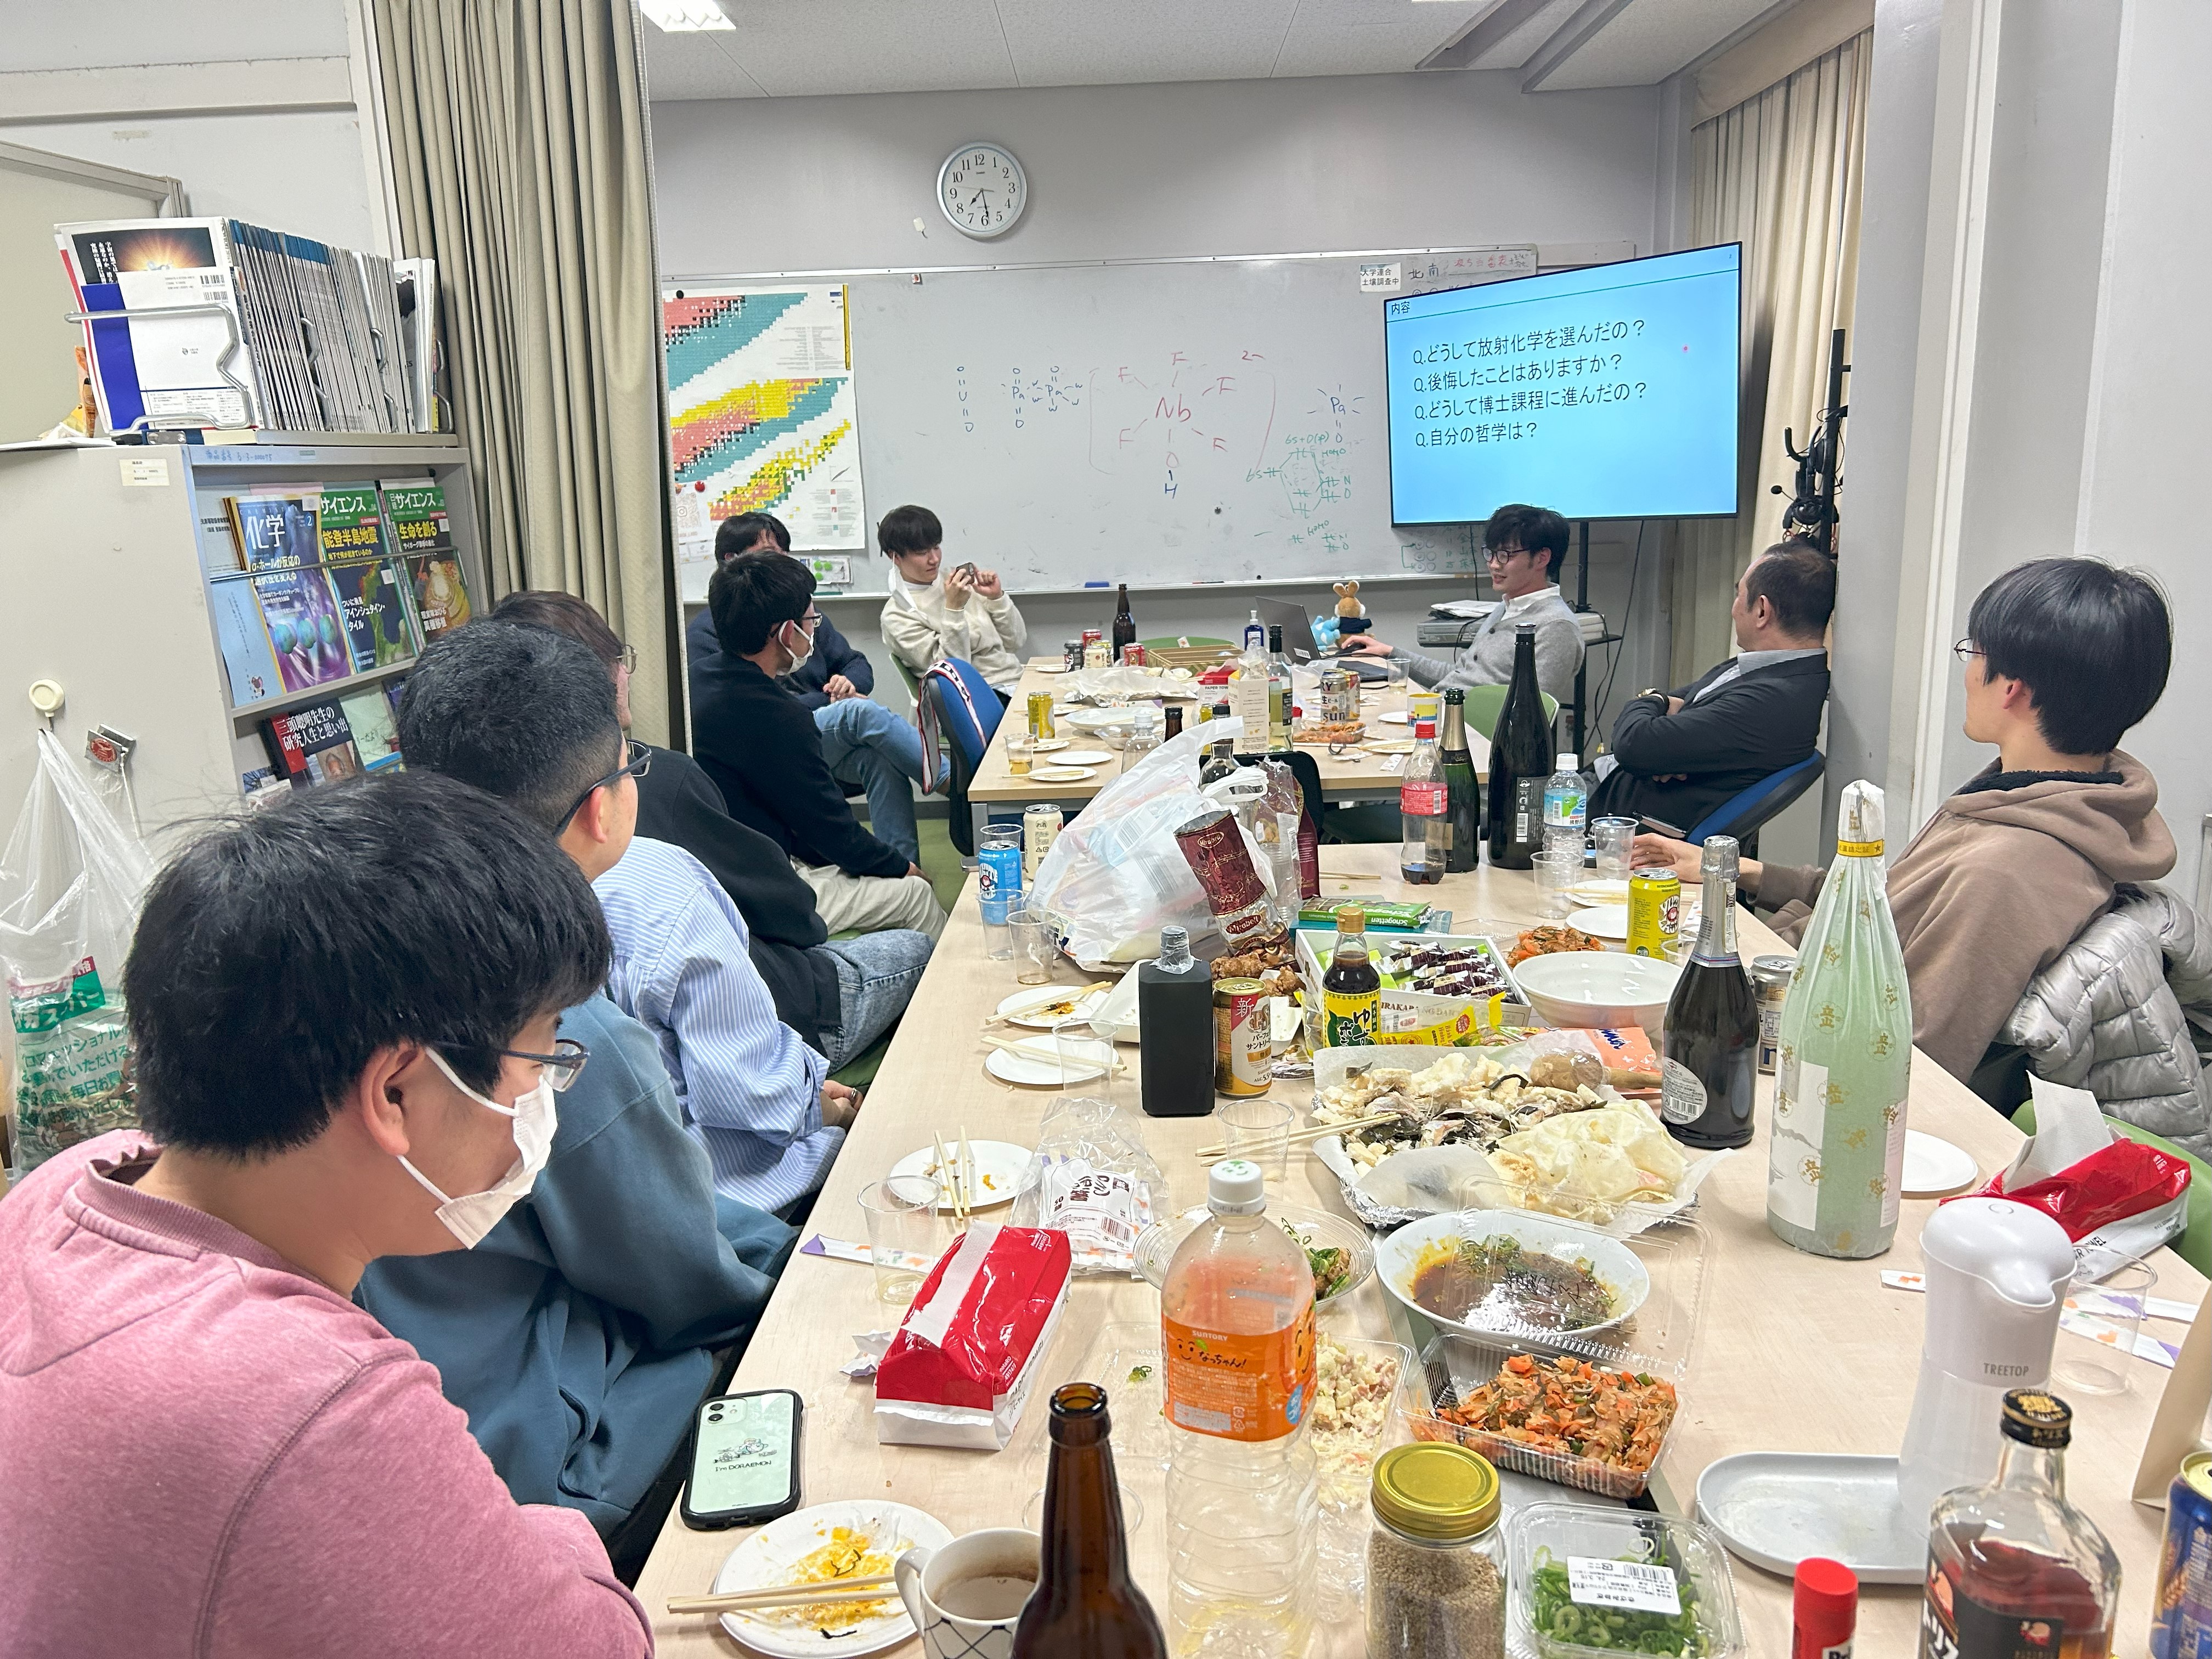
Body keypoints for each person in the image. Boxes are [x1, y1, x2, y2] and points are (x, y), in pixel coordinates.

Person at [0, 774, 652, 1656]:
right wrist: (544, 1538)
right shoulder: (309, 1405)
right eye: (541, 1061)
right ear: (395, 1092)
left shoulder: (67, 1189)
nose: (542, 1099)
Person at [1635, 556, 2176, 1086]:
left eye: (1974, 652)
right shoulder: (2047, 803)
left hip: (1793, 1042)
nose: (1968, 673)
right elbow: (1880, 905)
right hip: (1797, 983)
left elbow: (1908, 1067)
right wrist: (1735, 870)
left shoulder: (2006, 871)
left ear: (2012, 687)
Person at [396, 620, 862, 1223]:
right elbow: (752, 1100)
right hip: (729, 1220)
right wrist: (818, 1104)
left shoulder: (401, 925)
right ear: (600, 808)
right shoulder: (660, 890)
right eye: (630, 764)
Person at [491, 590, 932, 1067]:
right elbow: (785, 909)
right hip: (780, 1016)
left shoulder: (493, 828)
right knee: (919, 945)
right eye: (620, 660)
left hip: (673, 1041)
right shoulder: (655, 788)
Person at [695, 549, 949, 940]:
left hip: (719, 867)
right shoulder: (780, 718)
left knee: (873, 757)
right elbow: (829, 830)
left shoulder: (695, 682)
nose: (815, 630)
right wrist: (902, 868)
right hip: (762, 889)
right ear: (787, 634)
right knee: (915, 895)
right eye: (811, 622)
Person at [1589, 540, 1834, 834]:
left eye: (1739, 594)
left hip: (1613, 823)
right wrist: (1665, 735)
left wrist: (1653, 700)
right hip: (1605, 786)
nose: (1734, 609)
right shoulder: (1768, 667)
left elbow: (1633, 743)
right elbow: (1682, 702)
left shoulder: (1776, 700)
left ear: (1761, 611)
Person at [1340, 503, 1584, 702]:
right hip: (1442, 715)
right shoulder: (1506, 608)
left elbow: (1529, 714)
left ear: (1542, 558)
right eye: (1491, 553)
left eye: (1505, 555)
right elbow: (1459, 677)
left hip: (1468, 736)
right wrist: (1390, 653)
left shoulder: (1556, 626)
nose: (1494, 565)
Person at [691, 511, 877, 708]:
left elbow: (855, 663)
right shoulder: (709, 631)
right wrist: (831, 700)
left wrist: (846, 685)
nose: (782, 561)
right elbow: (744, 704)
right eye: (769, 553)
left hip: (823, 709)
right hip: (778, 720)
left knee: (870, 714)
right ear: (732, 561)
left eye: (785, 554)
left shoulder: (803, 612)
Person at [877, 502, 1029, 697]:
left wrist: (996, 598)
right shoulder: (897, 615)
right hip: (975, 696)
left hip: (1016, 680)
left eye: (936, 547)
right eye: (922, 553)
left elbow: (1015, 642)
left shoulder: (955, 580)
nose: (934, 559)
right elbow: (953, 672)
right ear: (895, 557)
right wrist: (954, 609)